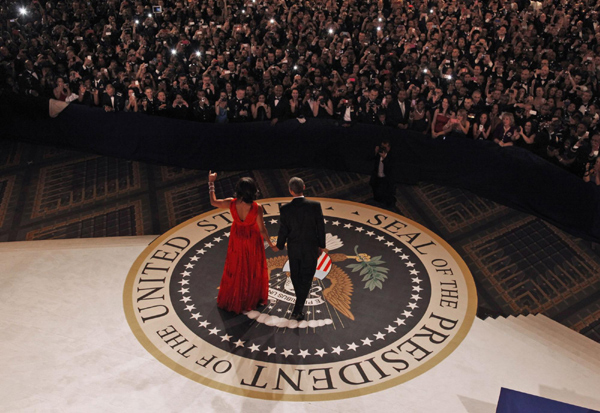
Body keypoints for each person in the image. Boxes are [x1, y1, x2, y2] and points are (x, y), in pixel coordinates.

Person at [208, 172, 276, 314]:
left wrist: (211, 183)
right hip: (252, 239)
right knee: (252, 269)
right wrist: (271, 244)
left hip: (237, 238)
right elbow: (262, 230)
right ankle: (251, 298)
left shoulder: (231, 203)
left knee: (236, 267)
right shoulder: (257, 208)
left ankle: (236, 298)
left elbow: (213, 202)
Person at [276, 177, 326, 321]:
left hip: (294, 249)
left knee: (296, 277)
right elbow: (320, 228)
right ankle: (298, 309)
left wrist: (279, 246)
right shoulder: (315, 206)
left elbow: (283, 230)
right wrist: (321, 246)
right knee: (306, 278)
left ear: (290, 190)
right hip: (311, 248)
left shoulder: (285, 209)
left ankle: (297, 309)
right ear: (304, 187)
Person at [370, 139, 396, 207]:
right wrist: (375, 153)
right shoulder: (378, 154)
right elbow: (369, 159)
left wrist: (384, 158)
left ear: (389, 148)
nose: (383, 148)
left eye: (385, 147)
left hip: (386, 180)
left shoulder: (392, 156)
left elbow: (390, 169)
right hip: (377, 177)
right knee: (376, 193)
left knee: (385, 195)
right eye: (382, 146)